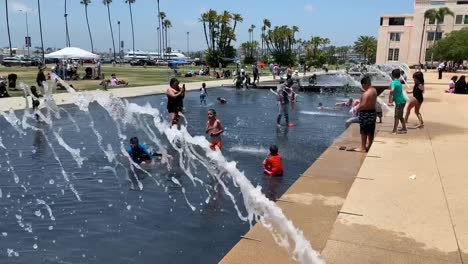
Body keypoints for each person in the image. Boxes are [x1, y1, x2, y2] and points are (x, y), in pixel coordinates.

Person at [349, 76, 377, 152]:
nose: (362, 87)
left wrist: (356, 109)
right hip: (372, 112)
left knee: (364, 131)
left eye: (362, 85)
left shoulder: (366, 94)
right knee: (371, 130)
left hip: (365, 114)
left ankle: (363, 147)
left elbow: (363, 105)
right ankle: (370, 145)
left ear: (364, 84)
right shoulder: (374, 90)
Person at [389, 69, 407, 134]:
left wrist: (390, 100)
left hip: (399, 102)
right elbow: (398, 93)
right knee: (400, 116)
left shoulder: (393, 83)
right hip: (402, 101)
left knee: (396, 116)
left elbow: (392, 91)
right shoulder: (399, 82)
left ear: (392, 75)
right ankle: (404, 128)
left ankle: (394, 130)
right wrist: (393, 99)